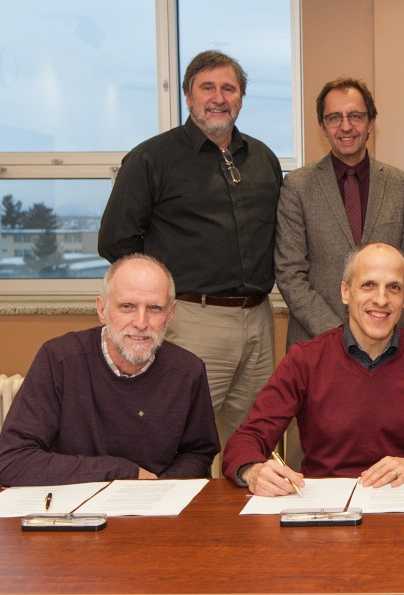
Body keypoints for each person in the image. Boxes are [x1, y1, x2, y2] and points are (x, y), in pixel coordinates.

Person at [98, 51, 282, 467]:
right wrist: (154, 301)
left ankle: (238, 530)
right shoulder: (152, 158)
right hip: (193, 321)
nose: (218, 98)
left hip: (258, 320)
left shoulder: (263, 159)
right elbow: (116, 240)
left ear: (240, 98)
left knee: (253, 439)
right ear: (187, 96)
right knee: (179, 438)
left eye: (229, 89)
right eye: (207, 87)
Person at [223, 243, 404, 496]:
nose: (381, 299)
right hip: (326, 506)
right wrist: (253, 470)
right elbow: (246, 439)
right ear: (345, 292)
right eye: (368, 285)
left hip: (403, 500)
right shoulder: (306, 358)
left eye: (393, 287)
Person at [0, 255, 220, 486]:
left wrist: (156, 490)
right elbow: (13, 462)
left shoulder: (188, 371)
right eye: (127, 307)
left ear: (170, 314)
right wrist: (123, 472)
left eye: (154, 308)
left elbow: (198, 454)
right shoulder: (59, 360)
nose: (141, 323)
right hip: (73, 509)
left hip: (153, 507)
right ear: (102, 309)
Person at [276, 77, 404, 349]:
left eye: (355, 116)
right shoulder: (297, 187)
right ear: (322, 126)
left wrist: (379, 327)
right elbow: (289, 272)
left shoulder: (402, 187)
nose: (346, 126)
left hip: (385, 343)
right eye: (334, 117)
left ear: (371, 122)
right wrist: (338, 334)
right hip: (315, 342)